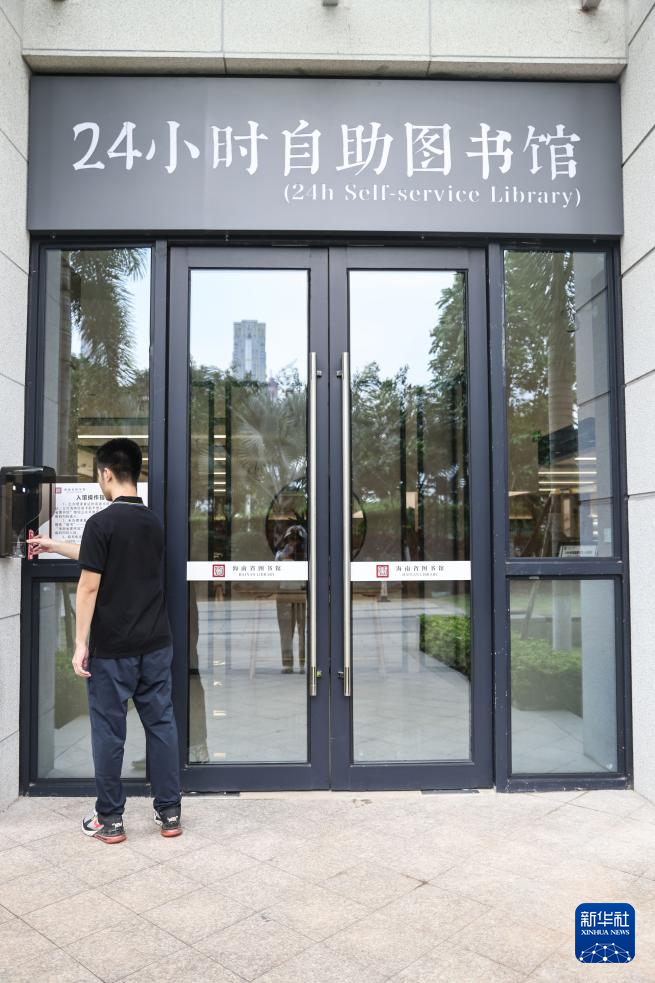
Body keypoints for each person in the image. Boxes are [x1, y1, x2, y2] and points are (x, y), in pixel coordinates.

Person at [32, 438, 182, 844]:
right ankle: (169, 813)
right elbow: (100, 554)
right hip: (156, 644)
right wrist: (53, 545)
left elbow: (89, 585)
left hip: (113, 649)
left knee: (109, 732)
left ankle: (110, 819)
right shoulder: (152, 522)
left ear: (107, 473)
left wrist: (80, 643)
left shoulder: (101, 522)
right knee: (161, 725)